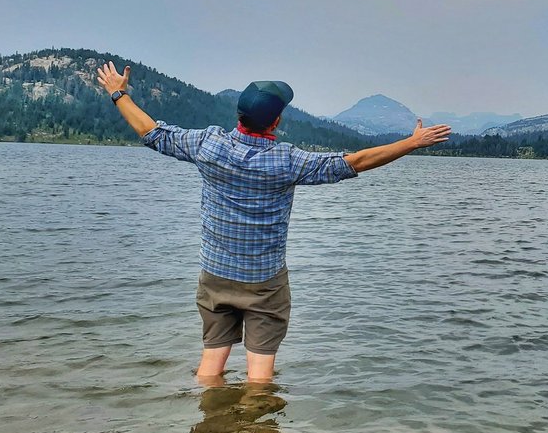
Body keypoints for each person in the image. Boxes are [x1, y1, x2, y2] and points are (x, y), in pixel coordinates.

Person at [96, 61, 451, 383]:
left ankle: (206, 422)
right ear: (276, 121)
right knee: (260, 376)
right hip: (264, 282)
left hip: (215, 275)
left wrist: (118, 94)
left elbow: (152, 132)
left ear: (239, 115)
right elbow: (354, 162)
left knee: (211, 363)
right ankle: (255, 430)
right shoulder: (288, 161)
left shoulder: (207, 144)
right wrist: (411, 143)